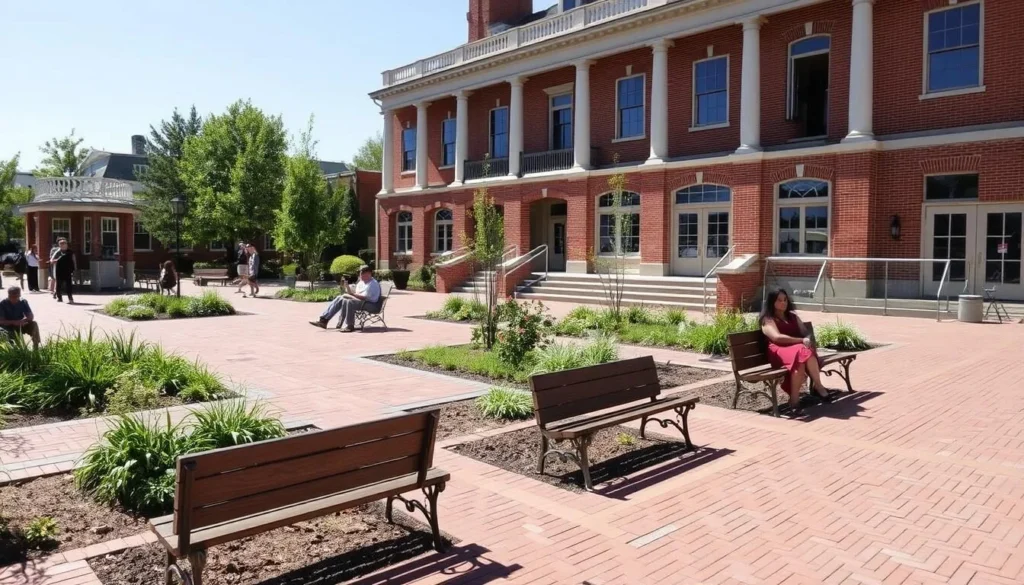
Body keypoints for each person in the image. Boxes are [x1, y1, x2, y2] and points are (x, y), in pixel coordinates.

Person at [759, 288, 833, 415]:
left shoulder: (793, 317)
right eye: (779, 300)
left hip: (797, 350)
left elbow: (806, 333)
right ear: (772, 302)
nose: (783, 303)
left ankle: (796, 399)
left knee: (802, 353)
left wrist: (807, 339)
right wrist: (800, 340)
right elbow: (777, 338)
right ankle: (817, 387)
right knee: (802, 350)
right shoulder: (768, 319)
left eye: (785, 300)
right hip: (778, 350)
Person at [310, 265, 381, 332]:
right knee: (340, 298)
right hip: (362, 301)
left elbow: (365, 297)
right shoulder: (361, 282)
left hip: (372, 305)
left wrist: (352, 295)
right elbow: (357, 293)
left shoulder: (372, 284)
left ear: (369, 273)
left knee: (350, 302)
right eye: (360, 273)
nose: (360, 275)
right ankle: (324, 320)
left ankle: (350, 325)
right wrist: (347, 288)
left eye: (362, 273)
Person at [0, 286, 41, 350]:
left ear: (19, 295)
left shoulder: (23, 302)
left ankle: (36, 346)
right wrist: (14, 322)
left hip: (20, 324)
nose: (14, 299)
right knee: (3, 332)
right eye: (12, 297)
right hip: (7, 326)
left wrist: (24, 321)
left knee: (34, 324)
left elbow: (30, 316)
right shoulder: (2, 303)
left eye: (16, 296)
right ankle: (13, 348)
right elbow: (1, 321)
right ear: (8, 295)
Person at [52, 238, 76, 304]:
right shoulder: (57, 252)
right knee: (58, 285)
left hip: (68, 270)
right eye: (61, 244)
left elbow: (74, 260)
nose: (63, 245)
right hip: (59, 270)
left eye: (64, 244)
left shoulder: (70, 252)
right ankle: (59, 297)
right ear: (59, 245)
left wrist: (74, 269)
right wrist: (55, 260)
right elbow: (52, 260)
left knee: (69, 285)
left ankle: (70, 298)